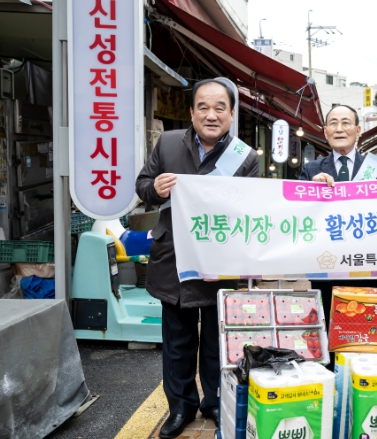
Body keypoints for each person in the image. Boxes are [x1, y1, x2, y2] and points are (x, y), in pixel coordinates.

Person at [136, 78, 259, 439]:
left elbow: (253, 212)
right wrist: (154, 189)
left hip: (219, 266)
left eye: (220, 107)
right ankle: (181, 407)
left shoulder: (246, 157)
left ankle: (216, 402)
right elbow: (142, 185)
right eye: (203, 107)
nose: (211, 114)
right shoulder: (168, 142)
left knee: (218, 343)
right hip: (174, 261)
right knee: (177, 342)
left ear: (231, 114)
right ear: (191, 112)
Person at [299, 105, 377, 347]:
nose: (339, 129)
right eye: (333, 123)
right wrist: (312, 191)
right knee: (326, 337)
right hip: (325, 266)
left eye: (346, 123)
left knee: (364, 338)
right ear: (325, 131)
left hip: (365, 267)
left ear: (358, 130)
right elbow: (299, 218)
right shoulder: (311, 170)